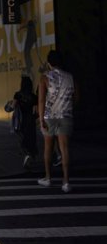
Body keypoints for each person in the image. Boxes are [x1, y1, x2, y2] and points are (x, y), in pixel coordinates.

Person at [37, 49, 76, 193]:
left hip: (49, 117)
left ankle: (48, 178)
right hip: (65, 116)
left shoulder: (44, 78)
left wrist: (41, 119)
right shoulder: (70, 77)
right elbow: (76, 97)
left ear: (49, 63)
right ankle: (66, 182)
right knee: (64, 149)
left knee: (48, 148)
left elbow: (41, 100)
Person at [12, 76, 38, 168]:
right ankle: (31, 155)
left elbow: (13, 106)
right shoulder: (34, 96)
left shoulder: (17, 95)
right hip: (30, 120)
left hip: (20, 120)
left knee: (21, 138)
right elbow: (35, 111)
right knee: (31, 138)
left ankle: (26, 155)